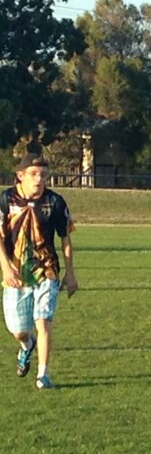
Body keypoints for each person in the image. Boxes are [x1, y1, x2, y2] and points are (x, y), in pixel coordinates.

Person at [0, 153, 78, 389]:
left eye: (43, 174)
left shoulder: (54, 202)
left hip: (47, 272)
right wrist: (6, 269)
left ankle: (43, 374)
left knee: (43, 321)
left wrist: (70, 272)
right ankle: (26, 345)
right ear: (20, 176)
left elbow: (65, 238)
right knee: (18, 330)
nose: (39, 179)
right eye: (33, 174)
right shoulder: (6, 199)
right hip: (16, 273)